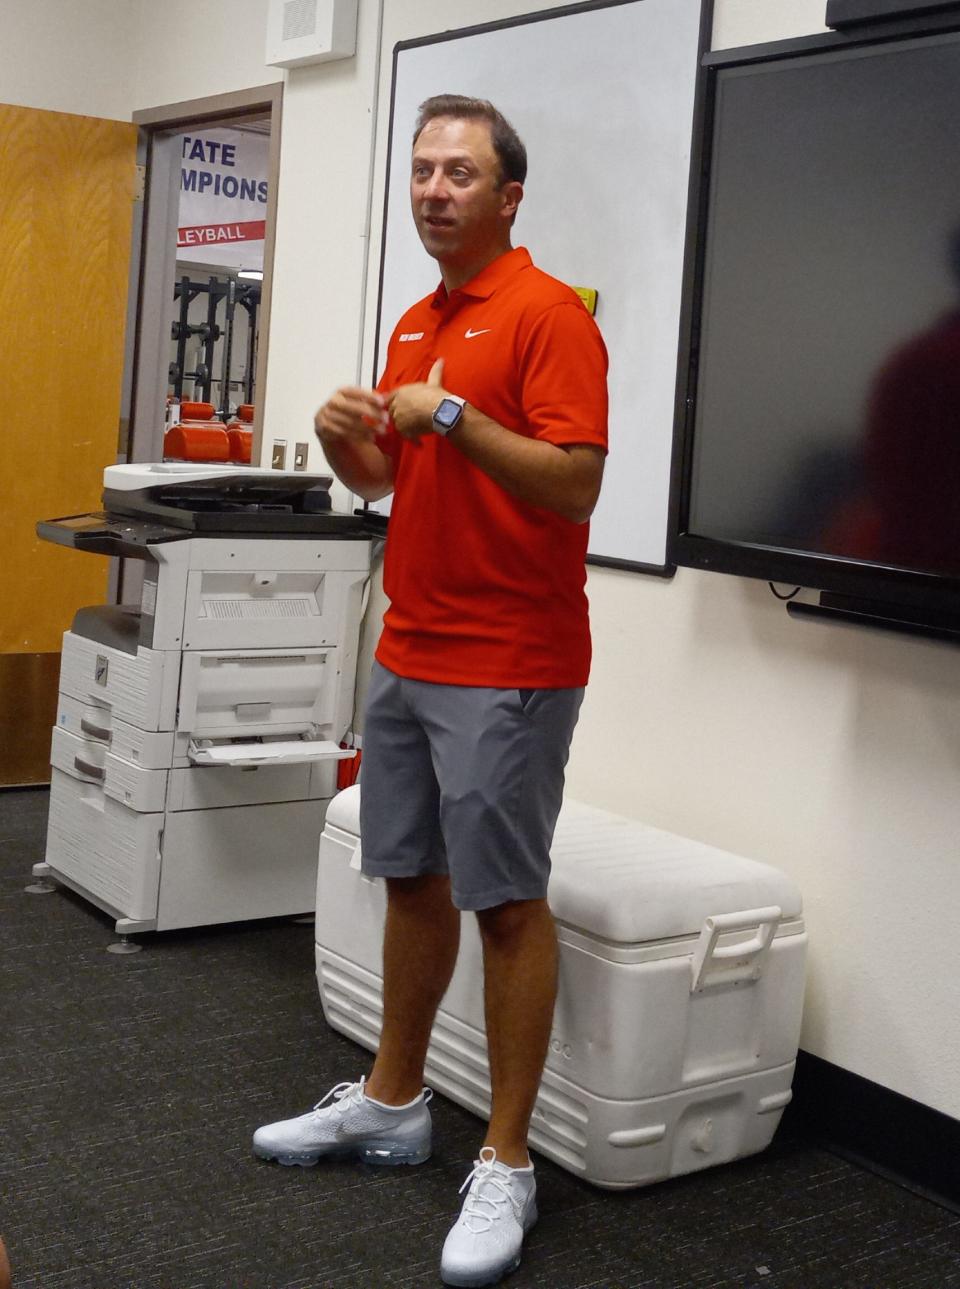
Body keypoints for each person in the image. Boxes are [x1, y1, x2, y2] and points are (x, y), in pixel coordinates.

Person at [253, 94, 608, 1287]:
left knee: (506, 902)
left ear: (509, 196)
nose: (433, 189)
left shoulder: (548, 317)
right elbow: (391, 481)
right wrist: (345, 429)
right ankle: (394, 1101)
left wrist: (452, 414)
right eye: (421, 171)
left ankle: (506, 1157)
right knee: (411, 876)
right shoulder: (417, 321)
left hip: (510, 658)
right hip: (412, 647)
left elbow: (573, 487)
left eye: (460, 172)